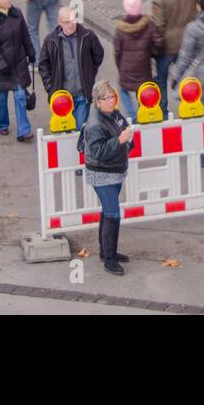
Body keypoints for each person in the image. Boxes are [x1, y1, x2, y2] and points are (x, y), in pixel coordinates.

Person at [82, 81, 134, 275]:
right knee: (113, 214)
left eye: (113, 97)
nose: (112, 101)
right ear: (98, 102)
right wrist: (120, 141)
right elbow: (98, 152)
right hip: (102, 173)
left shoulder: (112, 114)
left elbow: (124, 127)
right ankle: (110, 260)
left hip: (114, 170)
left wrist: (127, 140)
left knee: (108, 212)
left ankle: (107, 252)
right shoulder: (96, 123)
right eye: (107, 98)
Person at [39, 5, 105, 126]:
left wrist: (90, 73)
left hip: (82, 94)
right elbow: (43, 64)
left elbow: (98, 54)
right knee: (65, 129)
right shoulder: (50, 40)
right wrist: (49, 85)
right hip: (62, 97)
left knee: (79, 129)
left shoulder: (88, 36)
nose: (71, 25)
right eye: (67, 22)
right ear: (59, 22)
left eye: (73, 20)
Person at [0, 0, 35, 139]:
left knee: (20, 96)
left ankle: (24, 130)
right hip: (2, 68)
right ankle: (2, 124)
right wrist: (2, 64)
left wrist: (31, 52)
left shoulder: (17, 13)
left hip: (19, 63)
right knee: (1, 97)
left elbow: (26, 35)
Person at [151, 0, 197, 94]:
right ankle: (192, 108)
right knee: (188, 80)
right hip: (188, 40)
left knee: (161, 81)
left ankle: (163, 113)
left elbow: (158, 25)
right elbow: (196, 12)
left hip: (167, 46)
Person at [112, 0, 161, 120]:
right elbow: (158, 42)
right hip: (143, 66)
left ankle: (132, 116)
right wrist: (151, 52)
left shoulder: (120, 29)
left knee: (123, 90)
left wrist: (120, 66)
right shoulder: (148, 24)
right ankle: (144, 114)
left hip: (126, 68)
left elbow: (117, 51)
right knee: (143, 90)